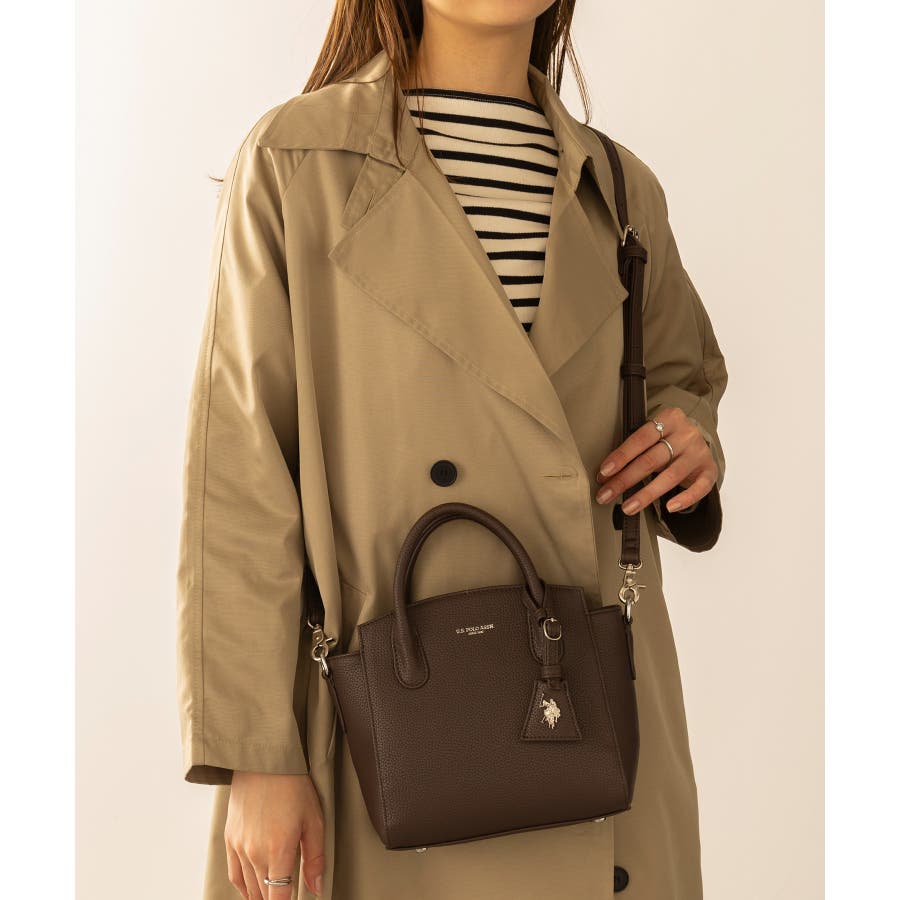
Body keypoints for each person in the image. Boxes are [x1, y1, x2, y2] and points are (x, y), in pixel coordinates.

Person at [175, 2, 729, 899]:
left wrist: (691, 441)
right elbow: (239, 475)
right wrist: (256, 754)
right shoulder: (297, 160)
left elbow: (681, 378)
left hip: (592, 722)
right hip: (389, 733)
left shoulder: (621, 188)